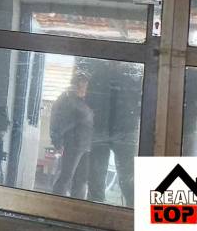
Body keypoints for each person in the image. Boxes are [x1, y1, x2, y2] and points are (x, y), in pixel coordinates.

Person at [85, 59, 142, 207]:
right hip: (119, 130)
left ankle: (97, 210)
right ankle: (131, 210)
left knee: (101, 174)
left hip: (114, 130)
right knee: (123, 175)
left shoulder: (100, 75)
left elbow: (89, 101)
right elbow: (140, 103)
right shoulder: (133, 76)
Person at [50, 71, 94, 199]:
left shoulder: (85, 100)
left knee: (81, 180)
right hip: (72, 144)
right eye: (82, 82)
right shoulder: (67, 99)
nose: (85, 86)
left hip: (86, 145)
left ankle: (76, 207)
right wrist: (58, 142)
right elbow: (57, 122)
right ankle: (55, 204)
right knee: (65, 176)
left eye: (86, 83)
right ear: (75, 84)